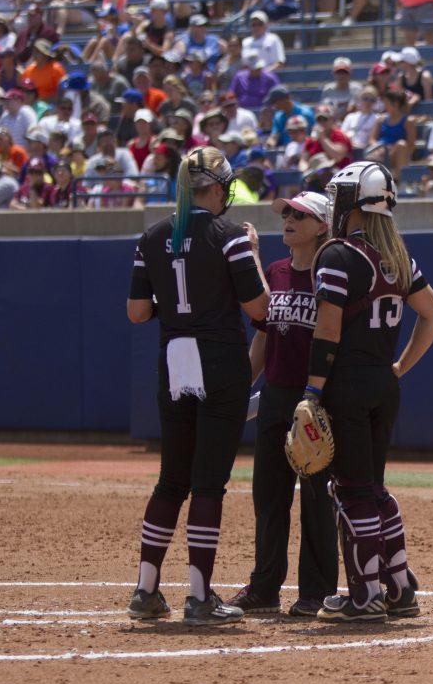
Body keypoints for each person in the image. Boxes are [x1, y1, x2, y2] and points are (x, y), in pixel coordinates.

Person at [125, 146, 269, 626]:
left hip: (174, 359)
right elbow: (259, 310)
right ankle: (199, 595)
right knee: (209, 483)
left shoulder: (151, 236)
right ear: (219, 188)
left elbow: (137, 312)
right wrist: (253, 254)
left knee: (172, 479)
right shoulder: (229, 237)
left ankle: (146, 590)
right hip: (219, 358)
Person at [305, 161, 433, 621]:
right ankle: (400, 587)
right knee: (374, 488)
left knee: (351, 490)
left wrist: (311, 390)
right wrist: (400, 367)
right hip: (383, 384)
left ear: (351, 203)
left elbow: (327, 330)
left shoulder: (337, 254)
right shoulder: (398, 258)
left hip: (346, 382)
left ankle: (365, 596)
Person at [225, 192, 341, 618]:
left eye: (300, 215)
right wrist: (240, 387)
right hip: (275, 396)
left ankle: (315, 591)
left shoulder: (330, 274)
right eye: (287, 213)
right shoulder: (275, 271)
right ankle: (264, 586)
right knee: (268, 496)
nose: (289, 219)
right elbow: (264, 336)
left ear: (322, 226)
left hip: (313, 400)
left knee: (315, 497)